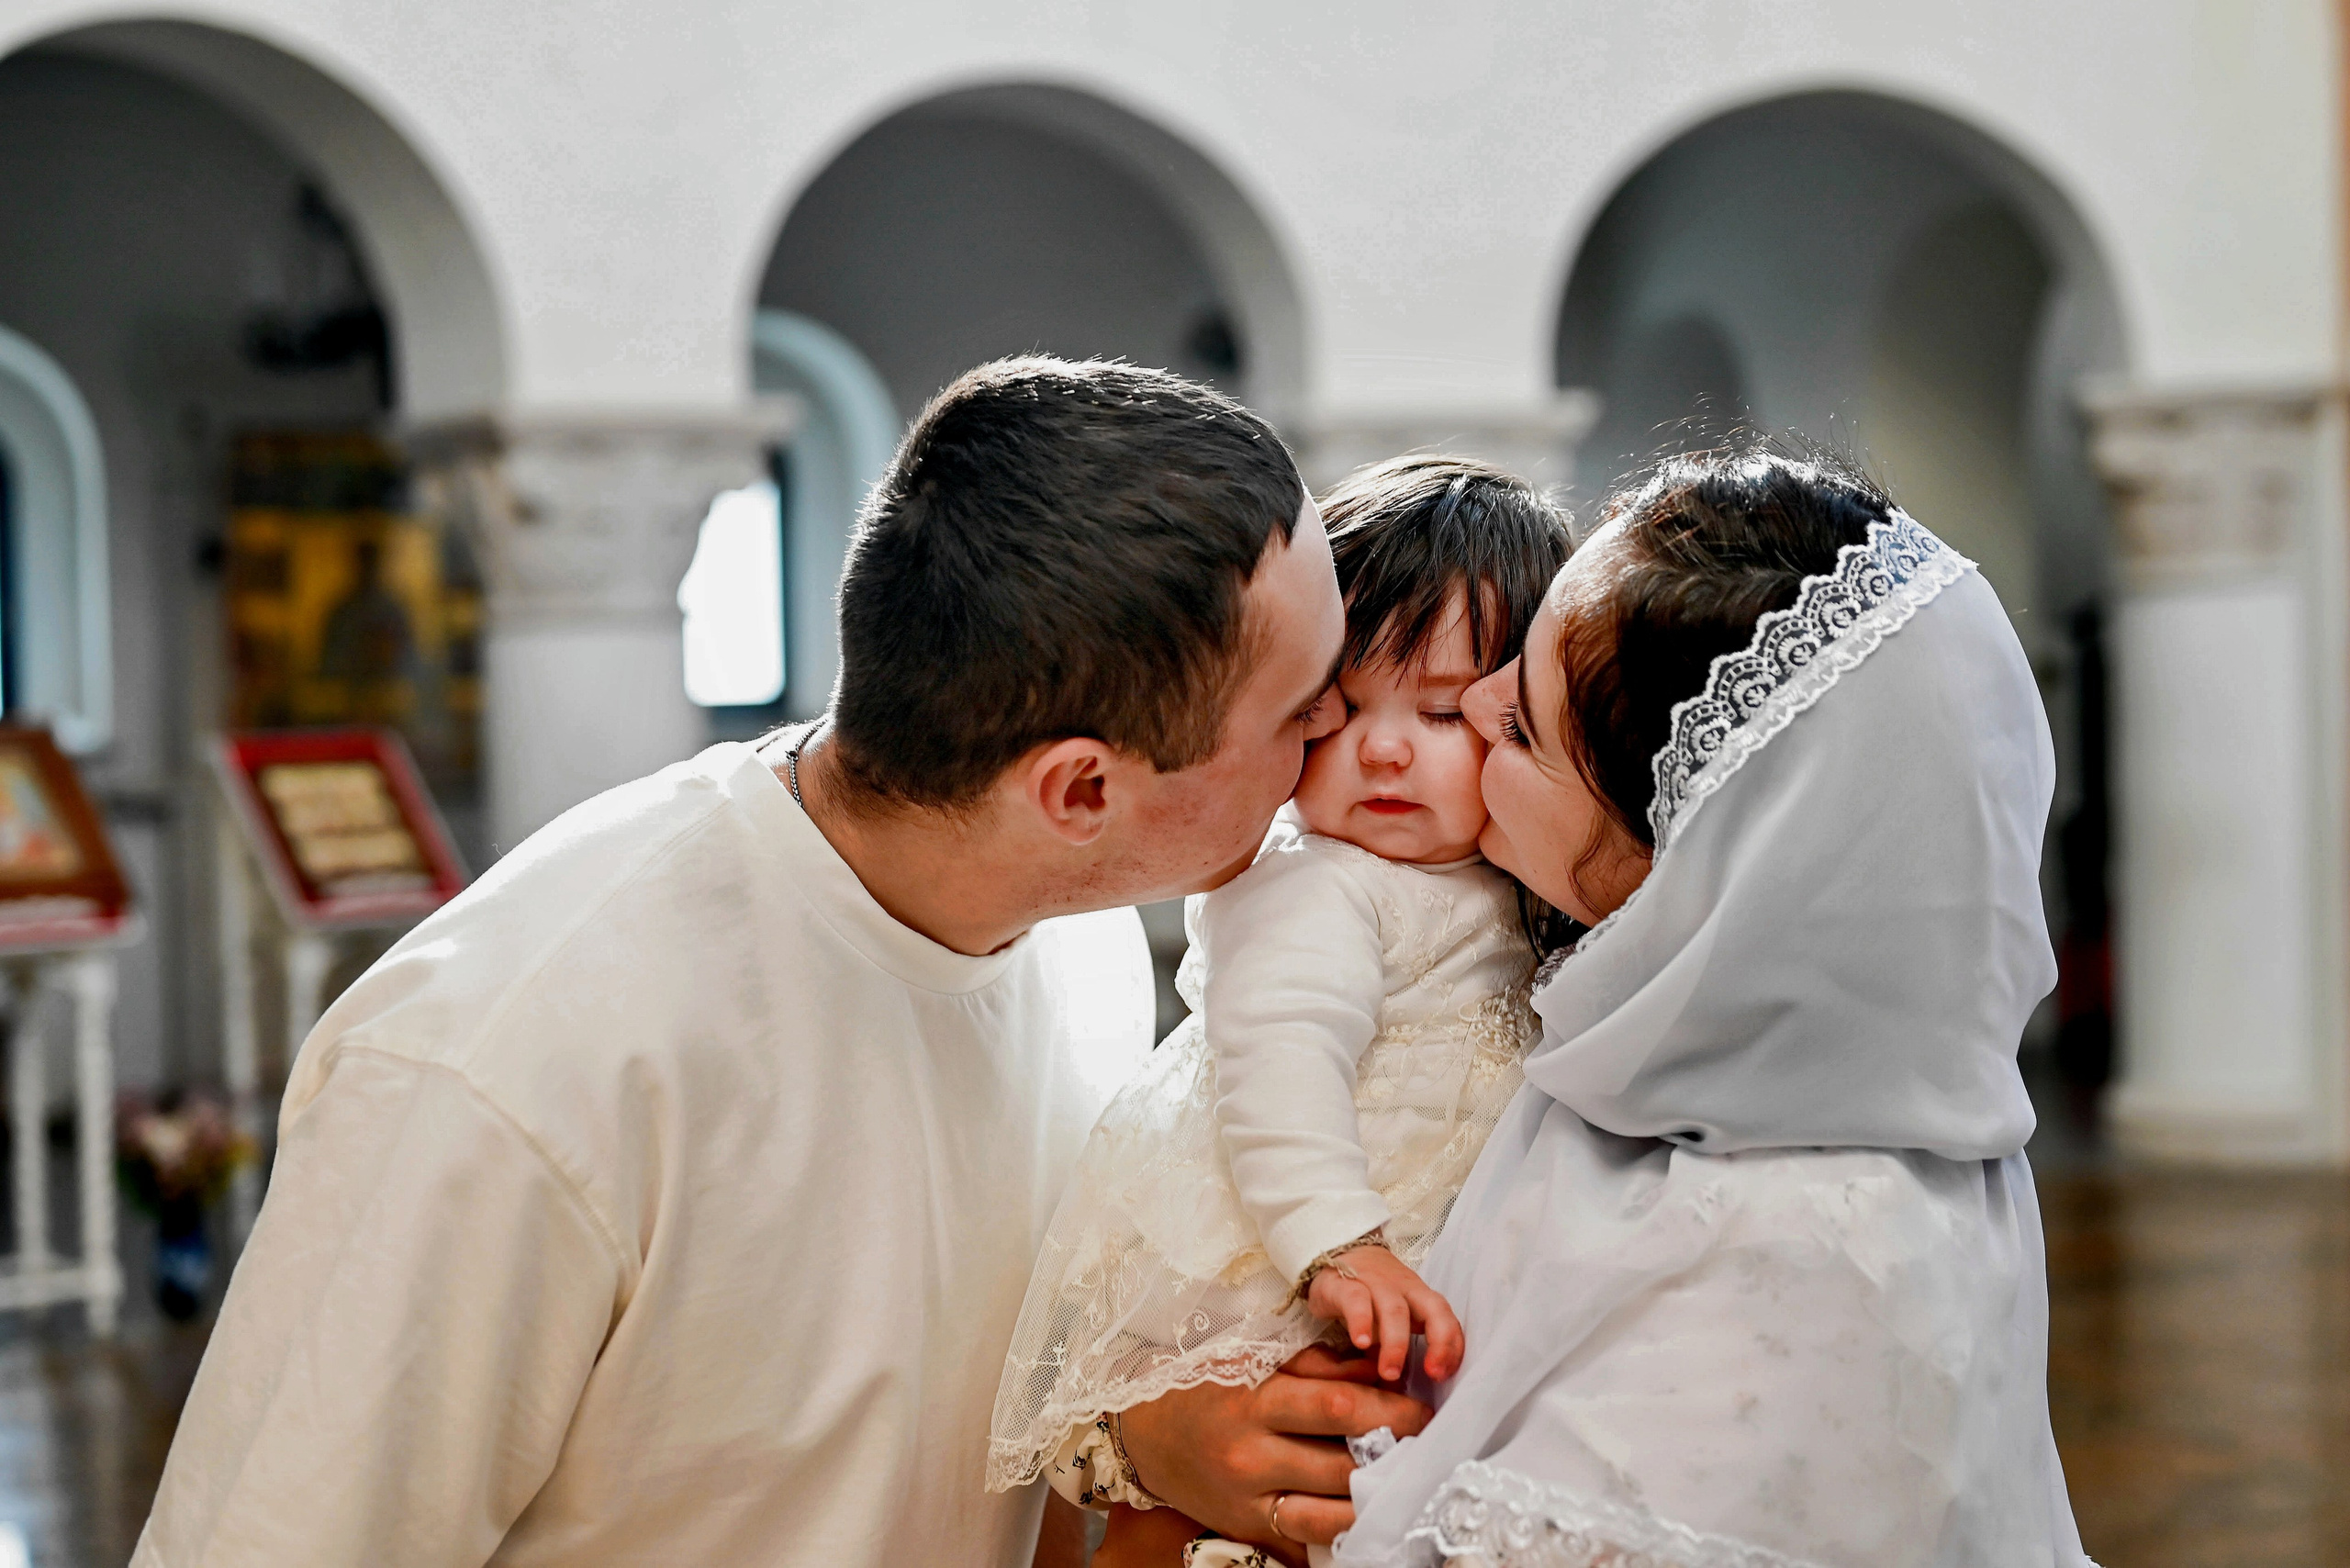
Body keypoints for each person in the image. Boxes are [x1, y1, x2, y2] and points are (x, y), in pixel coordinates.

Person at [132, 358, 1427, 1568]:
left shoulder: (1082, 932)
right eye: (1307, 703)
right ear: (1079, 787)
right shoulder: (510, 1060)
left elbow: (959, 1384)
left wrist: (1140, 1438)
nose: (1336, 738)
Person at [1338, 443, 2090, 1565]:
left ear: (1694, 883)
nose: (1479, 697)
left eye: (1520, 730)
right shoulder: (1713, 1060)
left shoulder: (1810, 1241)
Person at [988, 458, 1572, 1567]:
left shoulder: (1496, 880)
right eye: (1342, 710)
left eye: (1444, 711)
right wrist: (1334, 1246)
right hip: (1278, 1257)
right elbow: (1281, 1058)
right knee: (1202, 1515)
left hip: (1380, 1266)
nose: (1386, 747)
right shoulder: (1319, 882)